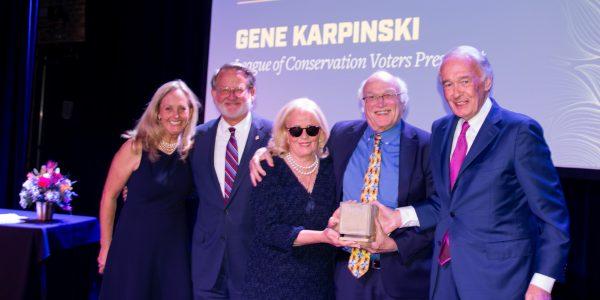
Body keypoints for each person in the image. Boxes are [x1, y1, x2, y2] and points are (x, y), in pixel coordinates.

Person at [382, 46, 570, 300]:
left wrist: (542, 283)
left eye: (464, 81)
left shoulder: (519, 132)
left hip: (501, 279)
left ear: (487, 82)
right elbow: (447, 204)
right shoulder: (441, 129)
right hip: (444, 275)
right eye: (447, 84)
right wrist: (398, 217)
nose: (455, 93)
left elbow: (552, 216)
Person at [250, 70, 435, 300]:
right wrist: (264, 153)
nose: (380, 103)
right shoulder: (342, 134)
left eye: (388, 95)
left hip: (402, 274)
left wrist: (394, 244)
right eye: (371, 97)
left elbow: (438, 208)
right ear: (363, 104)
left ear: (403, 101)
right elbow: (301, 145)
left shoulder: (427, 145)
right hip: (344, 275)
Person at [242, 98, 356, 300]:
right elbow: (269, 230)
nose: (304, 136)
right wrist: (322, 235)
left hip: (318, 282)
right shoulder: (267, 167)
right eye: (296, 130)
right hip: (271, 283)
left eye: (311, 129)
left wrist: (338, 222)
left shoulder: (331, 168)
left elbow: (334, 215)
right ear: (285, 133)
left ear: (320, 133)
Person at [98, 80, 201, 300]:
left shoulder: (191, 151)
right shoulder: (136, 147)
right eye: (168, 108)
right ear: (157, 114)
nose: (176, 114)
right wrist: (105, 247)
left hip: (173, 248)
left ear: (190, 113)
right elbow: (109, 196)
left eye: (182, 108)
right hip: (134, 245)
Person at [189, 63, 273, 300]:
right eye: (224, 90)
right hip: (207, 263)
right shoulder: (197, 137)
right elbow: (183, 185)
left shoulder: (274, 135)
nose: (231, 96)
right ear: (214, 95)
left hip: (254, 262)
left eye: (238, 89)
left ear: (252, 93)